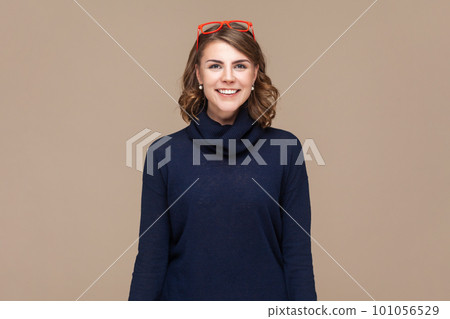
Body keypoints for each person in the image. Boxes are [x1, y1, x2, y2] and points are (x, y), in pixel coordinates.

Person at [128, 20, 317, 301]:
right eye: (215, 65)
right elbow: (151, 260)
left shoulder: (286, 149)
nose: (228, 77)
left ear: (255, 74)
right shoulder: (163, 153)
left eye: (240, 65)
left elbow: (298, 256)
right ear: (198, 74)